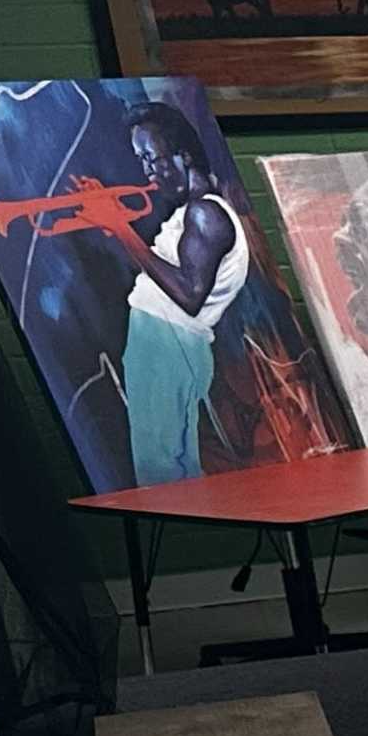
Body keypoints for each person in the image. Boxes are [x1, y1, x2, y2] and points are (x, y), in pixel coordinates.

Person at [101, 102, 248, 484]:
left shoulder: (205, 215)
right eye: (142, 161)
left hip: (166, 341)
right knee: (175, 461)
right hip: (169, 340)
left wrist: (121, 230)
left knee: (157, 464)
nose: (148, 172)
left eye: (152, 159)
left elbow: (189, 293)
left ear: (184, 156)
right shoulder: (198, 211)